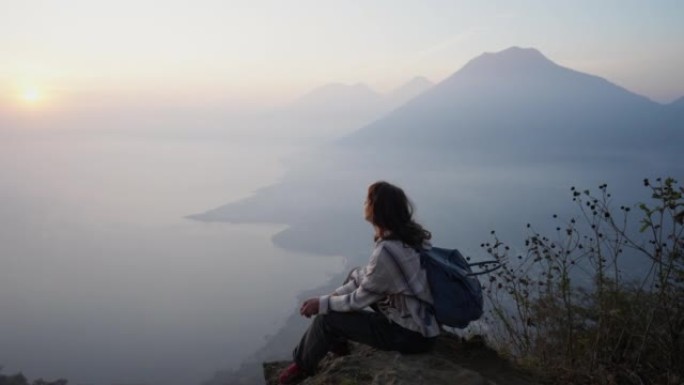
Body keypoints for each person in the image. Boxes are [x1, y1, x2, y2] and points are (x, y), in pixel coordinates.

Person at [278, 181, 441, 384]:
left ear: (378, 209)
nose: (364, 204)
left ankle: (301, 366)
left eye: (367, 200)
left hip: (410, 335)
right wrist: (329, 298)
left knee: (326, 319)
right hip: (420, 322)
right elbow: (365, 278)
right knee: (354, 275)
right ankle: (337, 340)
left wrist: (322, 305)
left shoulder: (387, 252)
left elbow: (358, 300)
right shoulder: (410, 239)